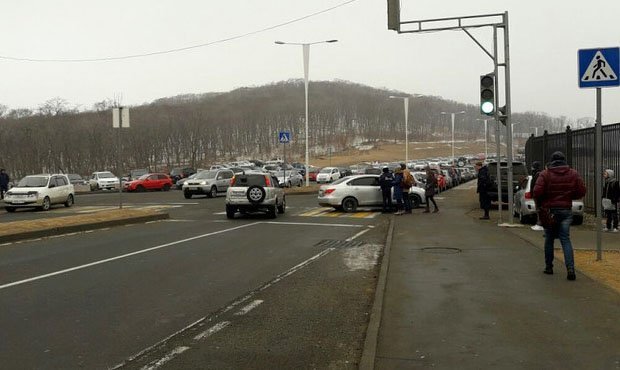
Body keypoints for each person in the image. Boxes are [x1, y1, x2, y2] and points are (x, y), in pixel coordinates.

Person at [532, 151, 586, 281]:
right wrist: (570, 196)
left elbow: (537, 192)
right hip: (566, 210)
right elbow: (581, 191)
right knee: (565, 239)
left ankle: (549, 267)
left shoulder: (545, 174)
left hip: (549, 210)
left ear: (551, 161)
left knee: (549, 238)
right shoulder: (573, 173)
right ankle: (570, 268)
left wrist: (543, 202)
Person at [530, 161, 544, 231]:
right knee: (538, 209)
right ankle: (539, 223)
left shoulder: (537, 174)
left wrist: (534, 193)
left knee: (539, 209)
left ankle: (540, 223)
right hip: (537, 194)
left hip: (538, 195)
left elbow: (535, 185)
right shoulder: (537, 174)